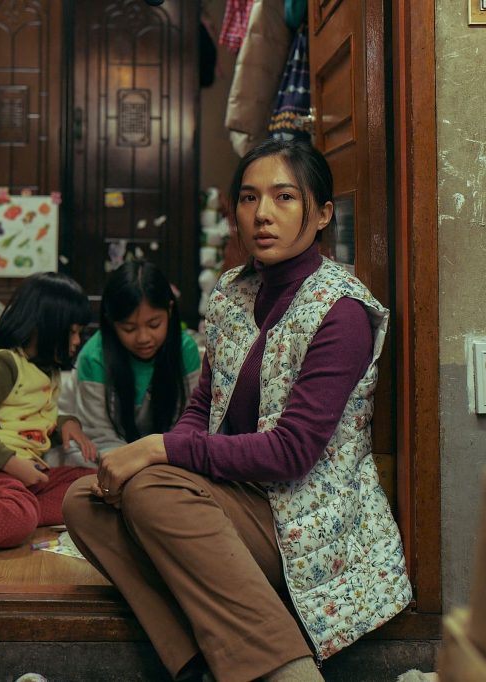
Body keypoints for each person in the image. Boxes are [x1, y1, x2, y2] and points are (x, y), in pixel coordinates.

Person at [62, 138, 411, 682]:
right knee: (86, 499)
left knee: (152, 488)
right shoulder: (236, 292)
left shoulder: (340, 310)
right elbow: (204, 406)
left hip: (304, 514)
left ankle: (287, 672)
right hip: (240, 497)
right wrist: (163, 455)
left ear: (322, 214)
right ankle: (199, 666)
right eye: (249, 198)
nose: (262, 214)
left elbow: (291, 453)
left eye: (284, 197)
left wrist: (158, 450)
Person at [0, 272, 98, 557]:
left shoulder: (47, 371)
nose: (77, 341)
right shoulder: (4, 364)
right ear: (44, 328)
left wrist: (65, 424)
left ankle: (13, 510)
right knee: (20, 512)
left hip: (20, 473)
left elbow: (26, 420)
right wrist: (12, 463)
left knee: (90, 483)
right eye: (72, 332)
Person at [65, 260, 202, 454]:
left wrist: (159, 457)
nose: (143, 338)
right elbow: (99, 436)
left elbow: (188, 424)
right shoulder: (94, 357)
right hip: (109, 450)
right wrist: (134, 461)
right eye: (129, 328)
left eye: (154, 325)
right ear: (111, 322)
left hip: (163, 454)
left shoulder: (185, 349)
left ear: (170, 310)